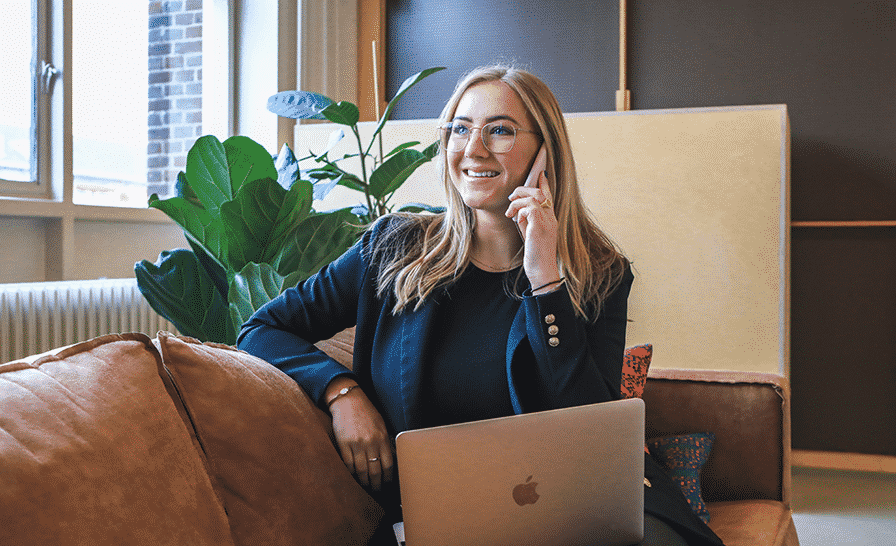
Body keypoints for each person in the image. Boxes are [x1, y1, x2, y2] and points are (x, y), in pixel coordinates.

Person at [237, 66, 723, 546]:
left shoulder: (600, 274)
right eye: (460, 129)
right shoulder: (392, 247)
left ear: (545, 152)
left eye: (500, 131)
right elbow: (262, 328)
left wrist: (545, 282)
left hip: (579, 510)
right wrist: (341, 392)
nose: (473, 149)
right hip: (444, 517)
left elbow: (589, 430)